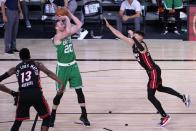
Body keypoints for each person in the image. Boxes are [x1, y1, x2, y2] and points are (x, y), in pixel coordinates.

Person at [104, 18, 191, 127]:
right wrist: (109, 26)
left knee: (150, 96)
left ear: (141, 37)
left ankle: (165, 116)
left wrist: (132, 36)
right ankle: (183, 97)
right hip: (153, 71)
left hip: (153, 71)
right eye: (134, 35)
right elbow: (120, 35)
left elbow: (140, 48)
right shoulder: (133, 43)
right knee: (160, 88)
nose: (134, 36)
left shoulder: (143, 45)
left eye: (136, 35)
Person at [0, 48, 65, 131]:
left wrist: (12, 92)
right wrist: (61, 83)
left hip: (23, 95)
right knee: (47, 118)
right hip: (36, 93)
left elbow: (1, 78)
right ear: (30, 56)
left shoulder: (15, 68)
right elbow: (48, 73)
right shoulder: (36, 64)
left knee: (18, 122)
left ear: (20, 58)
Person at [49, 9, 90, 127]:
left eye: (63, 23)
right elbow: (67, 31)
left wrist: (69, 13)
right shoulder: (56, 37)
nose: (62, 23)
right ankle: (53, 116)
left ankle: (84, 115)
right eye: (60, 23)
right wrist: (66, 17)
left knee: (79, 91)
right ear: (56, 27)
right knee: (60, 93)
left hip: (73, 66)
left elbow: (79, 24)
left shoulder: (67, 32)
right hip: (62, 69)